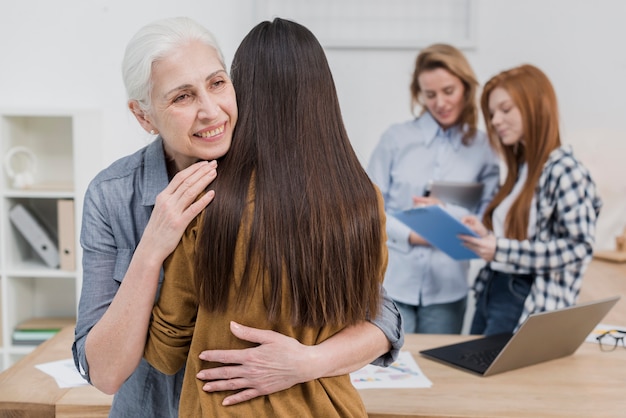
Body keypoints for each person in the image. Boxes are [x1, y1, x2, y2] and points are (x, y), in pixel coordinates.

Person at [72, 17, 403, 417]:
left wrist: (305, 363)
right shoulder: (112, 195)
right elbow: (105, 374)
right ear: (144, 116)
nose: (211, 112)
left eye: (217, 83)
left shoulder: (282, 186)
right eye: (182, 97)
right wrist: (151, 250)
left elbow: (379, 314)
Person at [367, 44, 500, 334]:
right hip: (394, 284)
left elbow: (488, 218)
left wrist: (445, 216)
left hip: (448, 289)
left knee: (441, 374)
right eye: (430, 94)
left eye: (448, 91)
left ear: (465, 88)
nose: (440, 102)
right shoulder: (395, 139)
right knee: (391, 372)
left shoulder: (484, 148)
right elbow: (368, 209)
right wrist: (413, 235)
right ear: (419, 95)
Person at [460, 64, 602, 336]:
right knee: (473, 372)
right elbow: (527, 235)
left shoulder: (564, 169)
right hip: (494, 285)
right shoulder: (521, 168)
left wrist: (500, 249)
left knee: (494, 376)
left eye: (505, 109)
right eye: (492, 114)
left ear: (535, 106)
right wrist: (486, 235)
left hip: (523, 293)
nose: (495, 121)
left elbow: (579, 247)